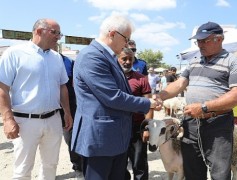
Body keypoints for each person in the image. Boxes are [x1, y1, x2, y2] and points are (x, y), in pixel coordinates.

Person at [70, 15, 161, 180]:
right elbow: (113, 97)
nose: (127, 44)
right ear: (112, 33)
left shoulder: (108, 57)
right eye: (126, 39)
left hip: (114, 138)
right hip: (100, 139)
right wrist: (148, 103)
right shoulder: (92, 56)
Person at [155, 21, 237, 179]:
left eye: (204, 40)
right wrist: (160, 95)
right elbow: (180, 83)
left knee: (219, 172)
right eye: (198, 41)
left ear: (219, 39)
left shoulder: (234, 63)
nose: (200, 44)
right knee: (193, 170)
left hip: (217, 124)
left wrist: (205, 107)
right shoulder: (194, 61)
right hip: (190, 123)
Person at [0, 18, 73, 179]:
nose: (58, 37)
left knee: (50, 165)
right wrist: (7, 119)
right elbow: (2, 88)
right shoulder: (14, 53)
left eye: (59, 33)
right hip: (25, 122)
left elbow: (62, 87)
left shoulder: (56, 58)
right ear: (38, 31)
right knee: (23, 169)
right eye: (55, 32)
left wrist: (67, 112)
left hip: (53, 119)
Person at [117, 48, 153, 180]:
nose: (127, 62)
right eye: (124, 58)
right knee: (119, 165)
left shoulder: (141, 79)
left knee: (139, 163)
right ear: (117, 59)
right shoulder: (111, 78)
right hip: (117, 128)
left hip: (137, 127)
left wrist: (146, 128)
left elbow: (149, 104)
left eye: (130, 59)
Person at [52, 44, 83, 173]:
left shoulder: (69, 62)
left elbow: (75, 85)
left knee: (71, 138)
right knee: (50, 141)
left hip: (69, 107)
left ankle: (78, 166)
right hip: (48, 108)